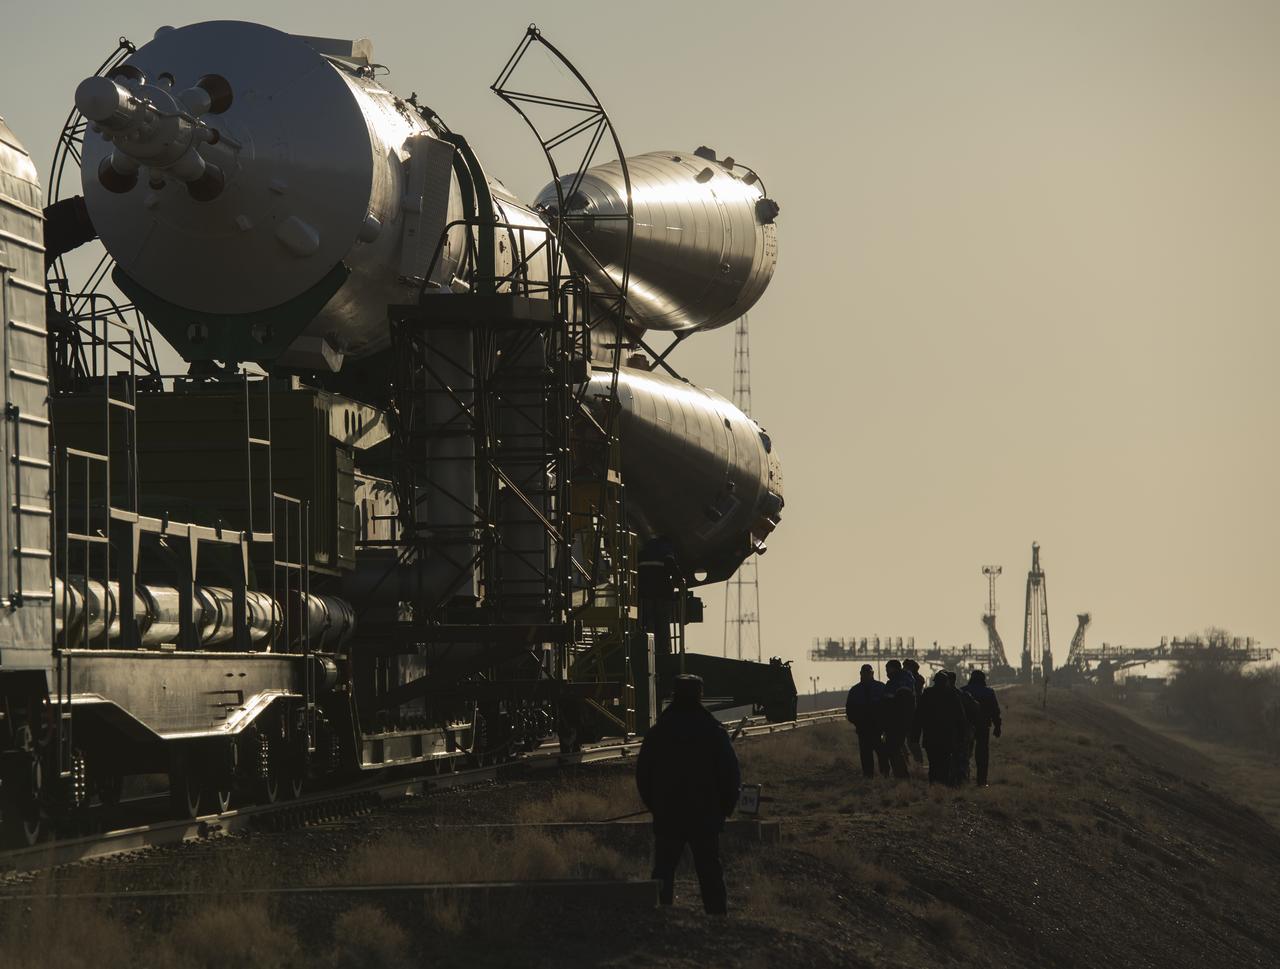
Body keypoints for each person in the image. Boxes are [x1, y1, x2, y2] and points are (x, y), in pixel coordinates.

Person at [636, 674, 740, 914]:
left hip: (668, 814)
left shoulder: (659, 732)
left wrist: (656, 805)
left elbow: (643, 774)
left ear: (674, 695)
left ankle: (661, 915)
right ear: (700, 695)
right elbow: (730, 774)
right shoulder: (713, 731)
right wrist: (724, 809)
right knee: (709, 870)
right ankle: (716, 918)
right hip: (705, 815)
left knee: (663, 870)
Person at [911, 671, 968, 785]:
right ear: (946, 682)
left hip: (930, 736)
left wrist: (915, 736)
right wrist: (961, 737)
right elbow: (960, 717)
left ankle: (934, 784)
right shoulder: (952, 695)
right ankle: (944, 784)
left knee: (933, 763)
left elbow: (919, 716)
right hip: (947, 736)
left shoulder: (927, 694)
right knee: (945, 761)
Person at [845, 664, 888, 778]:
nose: (866, 675)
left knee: (881, 753)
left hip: (878, 727)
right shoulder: (855, 690)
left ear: (872, 673)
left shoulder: (880, 687)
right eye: (864, 673)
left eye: (868, 673)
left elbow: (888, 706)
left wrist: (884, 723)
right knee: (866, 753)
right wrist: (857, 722)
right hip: (863, 727)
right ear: (861, 674)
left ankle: (884, 774)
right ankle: (868, 775)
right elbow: (849, 709)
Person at [962, 669, 1003, 785]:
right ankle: (981, 781)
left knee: (964, 753)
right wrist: (997, 726)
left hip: (966, 727)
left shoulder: (963, 691)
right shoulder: (989, 692)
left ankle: (963, 779)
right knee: (982, 754)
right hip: (983, 726)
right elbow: (995, 711)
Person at [881, 660, 916, 778]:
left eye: (888, 669)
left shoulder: (896, 683)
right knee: (896, 748)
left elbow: (888, 703)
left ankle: (902, 776)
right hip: (903, 721)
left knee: (893, 748)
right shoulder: (908, 680)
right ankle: (901, 774)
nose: (886, 672)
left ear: (894, 669)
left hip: (895, 721)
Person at [948, 670, 980, 784]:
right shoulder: (963, 695)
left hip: (953, 732)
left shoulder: (939, 695)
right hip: (964, 731)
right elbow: (975, 710)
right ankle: (962, 780)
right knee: (963, 757)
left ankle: (953, 780)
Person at [902, 659, 926, 764]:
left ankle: (917, 762)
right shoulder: (917, 679)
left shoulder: (915, 680)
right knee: (909, 741)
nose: (903, 669)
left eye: (905, 667)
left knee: (911, 742)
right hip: (912, 713)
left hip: (913, 714)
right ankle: (916, 762)